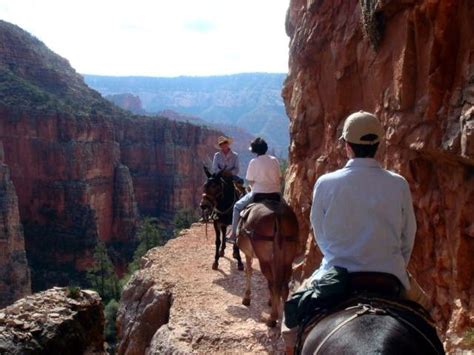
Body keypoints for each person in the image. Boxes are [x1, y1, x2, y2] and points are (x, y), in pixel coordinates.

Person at [282, 110, 428, 352]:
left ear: (346, 146)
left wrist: (335, 255)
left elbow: (320, 231)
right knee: (427, 318)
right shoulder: (398, 183)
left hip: (337, 275)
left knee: (290, 326)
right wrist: (393, 263)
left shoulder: (326, 183)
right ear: (378, 145)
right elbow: (408, 234)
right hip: (389, 275)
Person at [226, 137, 281, 243]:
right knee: (287, 208)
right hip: (275, 194)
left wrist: (255, 186)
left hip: (258, 194)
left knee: (237, 207)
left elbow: (250, 181)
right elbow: (279, 178)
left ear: (255, 151)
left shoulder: (253, 162)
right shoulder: (275, 160)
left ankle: (233, 234)